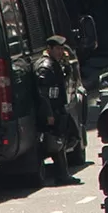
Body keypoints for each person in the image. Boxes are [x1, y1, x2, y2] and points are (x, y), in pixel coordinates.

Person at [33, 35, 80, 185]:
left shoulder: (55, 64)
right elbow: (42, 93)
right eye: (57, 49)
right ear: (49, 49)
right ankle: (60, 175)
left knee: (65, 139)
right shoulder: (45, 67)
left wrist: (66, 65)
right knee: (54, 143)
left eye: (62, 49)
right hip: (51, 110)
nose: (60, 52)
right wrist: (49, 114)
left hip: (58, 109)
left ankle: (63, 174)